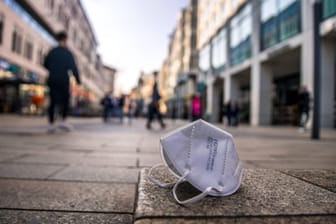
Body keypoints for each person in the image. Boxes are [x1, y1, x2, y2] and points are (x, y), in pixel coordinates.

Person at [44, 31, 80, 133]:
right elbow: (73, 67)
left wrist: (53, 70)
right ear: (65, 39)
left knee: (53, 101)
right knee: (65, 101)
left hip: (53, 79)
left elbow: (45, 64)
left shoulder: (52, 51)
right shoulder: (67, 53)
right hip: (63, 80)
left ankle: (51, 124)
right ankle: (62, 121)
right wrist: (77, 79)